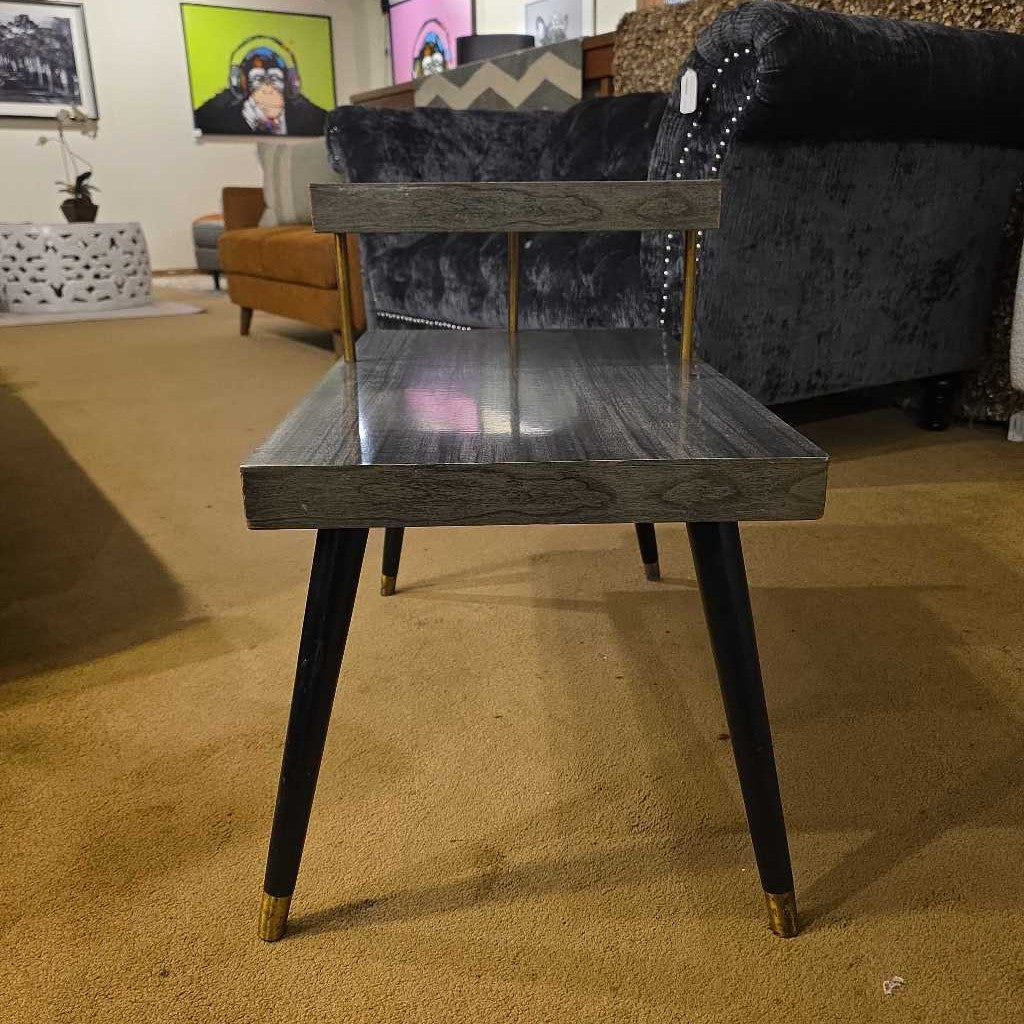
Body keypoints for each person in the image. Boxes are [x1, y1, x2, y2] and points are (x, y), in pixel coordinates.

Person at [194, 42, 326, 136]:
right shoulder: (224, 111)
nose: (267, 88)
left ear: (289, 83)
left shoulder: (305, 112)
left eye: (275, 79)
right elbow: (198, 121)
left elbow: (330, 123)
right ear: (242, 84)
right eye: (258, 79)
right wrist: (248, 124)